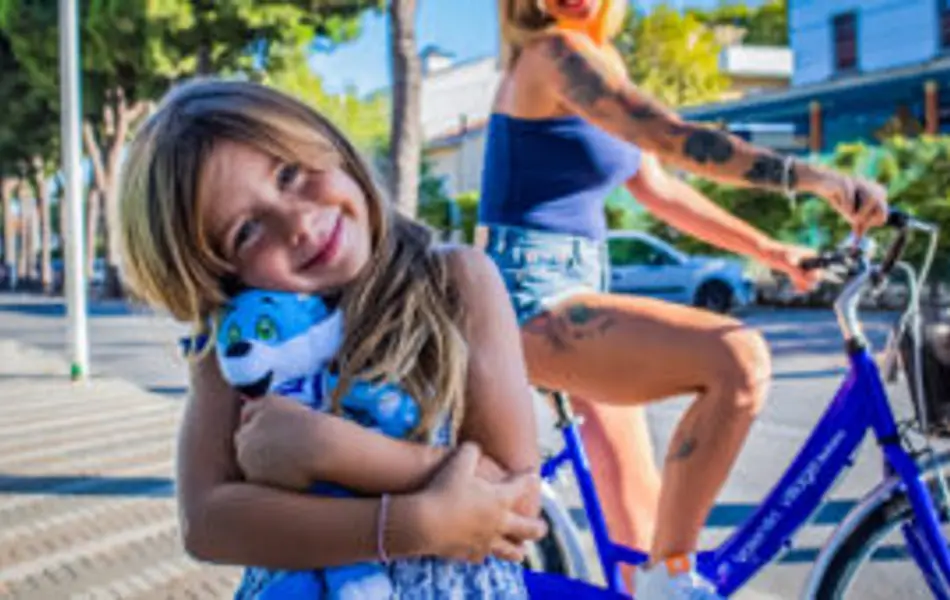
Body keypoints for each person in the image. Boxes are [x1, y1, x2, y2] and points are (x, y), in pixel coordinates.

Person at [479, 1, 889, 598]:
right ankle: (670, 579)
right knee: (738, 358)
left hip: (581, 288)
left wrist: (772, 250)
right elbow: (670, 137)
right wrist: (818, 179)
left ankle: (654, 576)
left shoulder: (601, 59)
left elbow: (657, 187)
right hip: (530, 296)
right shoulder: (553, 55)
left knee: (642, 532)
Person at [117, 78, 547, 598]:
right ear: (218, 277)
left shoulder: (456, 282)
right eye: (246, 231)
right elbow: (206, 522)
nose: (297, 222)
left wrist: (327, 449)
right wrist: (407, 521)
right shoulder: (238, 348)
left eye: (289, 173)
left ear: (330, 145)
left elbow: (516, 501)